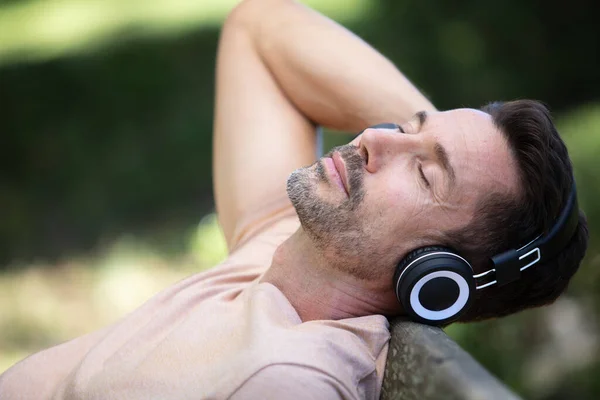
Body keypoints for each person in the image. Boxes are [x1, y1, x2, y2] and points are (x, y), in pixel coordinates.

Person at [0, 0, 589, 398]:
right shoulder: (274, 254)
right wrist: (436, 128)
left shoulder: (286, 376)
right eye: (404, 130)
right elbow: (259, 26)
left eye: (426, 175)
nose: (373, 139)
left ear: (437, 279)